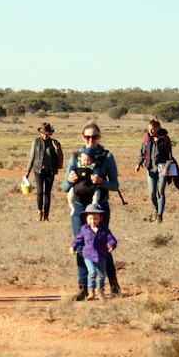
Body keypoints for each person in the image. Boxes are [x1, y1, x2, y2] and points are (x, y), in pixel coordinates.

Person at [61, 122, 121, 300]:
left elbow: (115, 185)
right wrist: (70, 180)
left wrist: (101, 182)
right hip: (79, 207)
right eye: (87, 137)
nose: (90, 140)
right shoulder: (75, 157)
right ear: (82, 137)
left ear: (99, 137)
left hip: (99, 207)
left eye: (94, 137)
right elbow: (64, 187)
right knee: (80, 246)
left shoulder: (106, 156)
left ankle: (113, 283)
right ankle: (83, 287)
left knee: (102, 246)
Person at [70, 203, 117, 301]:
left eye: (95, 219)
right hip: (88, 255)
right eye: (90, 219)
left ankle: (100, 290)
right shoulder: (84, 229)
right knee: (92, 272)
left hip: (101, 256)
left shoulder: (104, 230)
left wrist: (112, 245)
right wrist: (73, 247)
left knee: (101, 275)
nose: (93, 221)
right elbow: (78, 239)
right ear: (86, 219)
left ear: (101, 218)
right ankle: (91, 291)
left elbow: (111, 239)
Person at [136, 118, 174, 223]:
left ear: (158, 128)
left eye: (152, 129)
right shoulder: (146, 139)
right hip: (150, 168)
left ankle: (160, 215)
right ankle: (156, 208)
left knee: (160, 191)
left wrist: (167, 167)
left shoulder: (165, 139)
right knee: (152, 193)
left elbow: (170, 157)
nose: (150, 131)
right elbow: (142, 154)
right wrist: (139, 163)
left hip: (162, 168)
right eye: (149, 129)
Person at [24, 122, 64, 222]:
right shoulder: (36, 142)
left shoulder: (55, 143)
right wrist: (27, 171)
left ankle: (46, 215)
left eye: (46, 134)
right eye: (43, 133)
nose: (44, 136)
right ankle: (39, 211)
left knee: (47, 193)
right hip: (38, 170)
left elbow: (60, 158)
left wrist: (57, 149)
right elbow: (32, 157)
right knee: (40, 192)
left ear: (50, 134)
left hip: (50, 171)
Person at [66, 146, 106, 215]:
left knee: (97, 192)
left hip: (90, 186)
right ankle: (72, 207)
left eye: (88, 160)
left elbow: (97, 171)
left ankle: (95, 203)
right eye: (84, 160)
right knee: (70, 194)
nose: (86, 162)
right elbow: (72, 168)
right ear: (80, 159)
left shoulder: (94, 166)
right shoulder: (77, 165)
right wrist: (72, 172)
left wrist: (95, 176)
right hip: (78, 186)